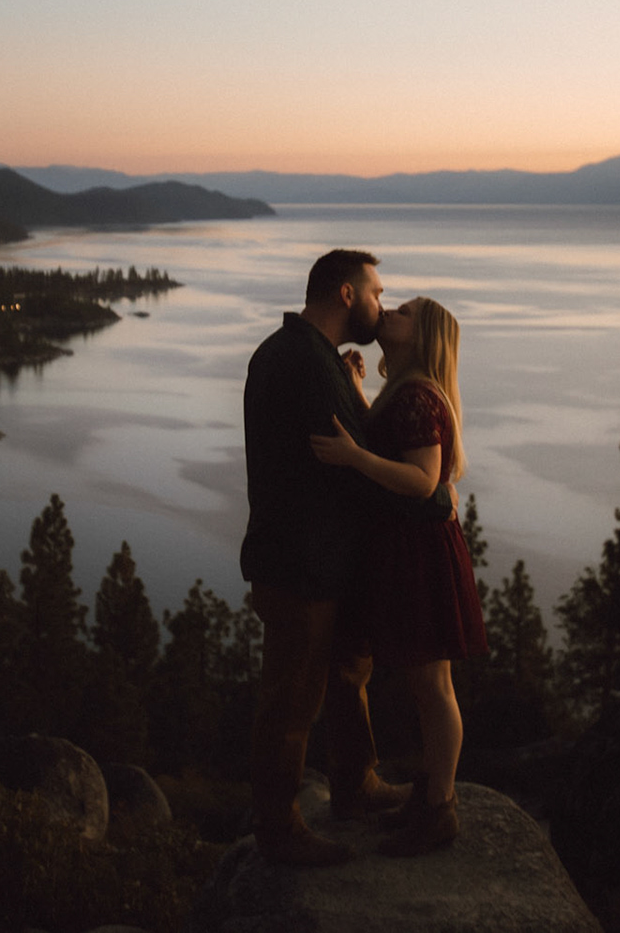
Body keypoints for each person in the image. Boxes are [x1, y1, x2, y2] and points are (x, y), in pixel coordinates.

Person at [240, 249, 456, 866]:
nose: (381, 305)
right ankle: (279, 831)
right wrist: (435, 502)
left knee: (344, 677)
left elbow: (355, 448)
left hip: (325, 558)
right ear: (344, 295)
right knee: (291, 700)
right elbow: (356, 466)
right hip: (300, 563)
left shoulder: (306, 355)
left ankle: (355, 784)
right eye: (375, 293)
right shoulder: (304, 363)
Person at [310, 295, 486, 856]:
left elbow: (422, 479)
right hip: (415, 550)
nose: (390, 312)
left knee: (434, 687)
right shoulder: (408, 392)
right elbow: (395, 447)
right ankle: (432, 795)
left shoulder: (416, 397)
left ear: (423, 335)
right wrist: (358, 393)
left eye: (404, 311)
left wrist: (352, 457)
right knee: (425, 685)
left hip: (420, 555)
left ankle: (440, 808)